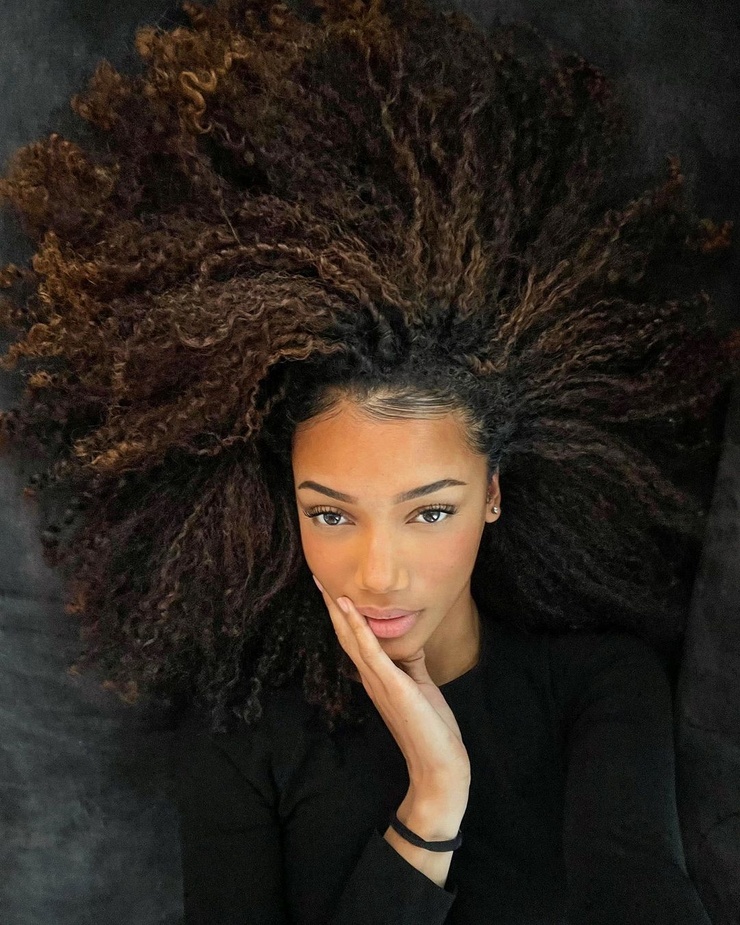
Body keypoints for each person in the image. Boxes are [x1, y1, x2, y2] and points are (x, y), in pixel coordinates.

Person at [0, 0, 737, 922]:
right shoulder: (242, 739)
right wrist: (432, 799)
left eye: (429, 510)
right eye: (331, 512)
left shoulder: (600, 690)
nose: (379, 571)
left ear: (494, 493)